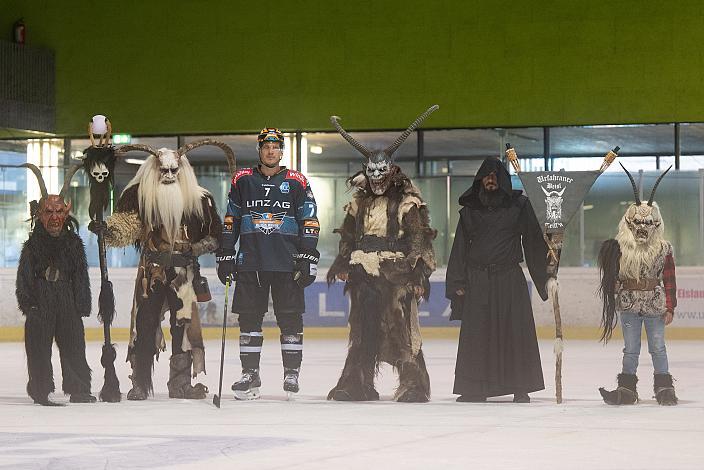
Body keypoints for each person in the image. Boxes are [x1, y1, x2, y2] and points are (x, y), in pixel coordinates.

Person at [92, 140, 232, 400]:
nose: (168, 176)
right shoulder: (140, 196)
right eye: (163, 171)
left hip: (184, 273)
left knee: (185, 329)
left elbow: (215, 236)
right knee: (144, 326)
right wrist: (108, 231)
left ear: (181, 170)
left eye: (173, 171)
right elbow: (127, 228)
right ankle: (140, 383)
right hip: (151, 272)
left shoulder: (200, 199)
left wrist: (195, 249)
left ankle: (180, 384)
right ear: (154, 170)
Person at [326, 106, 438, 402]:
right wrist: (343, 263)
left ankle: (414, 384)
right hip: (363, 273)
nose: (376, 180)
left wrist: (417, 274)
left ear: (391, 173)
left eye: (381, 174)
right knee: (362, 330)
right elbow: (348, 237)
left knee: (401, 326)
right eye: (371, 175)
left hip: (396, 272)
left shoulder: (407, 203)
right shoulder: (357, 204)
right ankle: (356, 383)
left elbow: (419, 238)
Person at [216, 128, 320, 400]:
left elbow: (309, 219)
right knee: (249, 320)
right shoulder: (243, 180)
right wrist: (226, 252)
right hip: (251, 262)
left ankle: (291, 373)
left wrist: (308, 254)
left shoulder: (297, 181)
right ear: (260, 150)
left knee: (290, 319)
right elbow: (231, 219)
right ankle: (250, 375)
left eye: (276, 147)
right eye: (266, 147)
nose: (271, 151)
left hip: (288, 263)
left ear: (282, 151)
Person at [446, 157, 550, 403]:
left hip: (509, 279)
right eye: (486, 176)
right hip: (478, 279)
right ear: (480, 180)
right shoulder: (470, 211)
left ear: (502, 180)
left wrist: (547, 273)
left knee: (514, 333)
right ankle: (475, 389)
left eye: (494, 176)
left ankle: (520, 386)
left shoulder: (519, 206)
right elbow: (459, 247)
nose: (490, 180)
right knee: (477, 335)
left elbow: (534, 242)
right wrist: (457, 283)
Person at [597, 165, 678, 406]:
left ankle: (664, 387)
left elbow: (670, 279)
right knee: (630, 348)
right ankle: (627, 388)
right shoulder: (620, 249)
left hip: (654, 303)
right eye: (637, 223)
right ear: (629, 223)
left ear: (656, 223)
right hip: (629, 303)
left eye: (648, 223)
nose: (642, 228)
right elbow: (614, 279)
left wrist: (670, 306)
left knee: (658, 347)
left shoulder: (663, 249)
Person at [16, 164, 96, 406]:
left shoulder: (73, 243)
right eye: (49, 211)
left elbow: (81, 274)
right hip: (41, 298)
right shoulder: (32, 246)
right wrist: (29, 304)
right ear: (40, 214)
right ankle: (41, 388)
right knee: (38, 347)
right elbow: (24, 277)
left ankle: (79, 388)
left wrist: (82, 304)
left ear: (66, 212)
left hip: (67, 298)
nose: (54, 217)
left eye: (59, 211)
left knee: (74, 343)